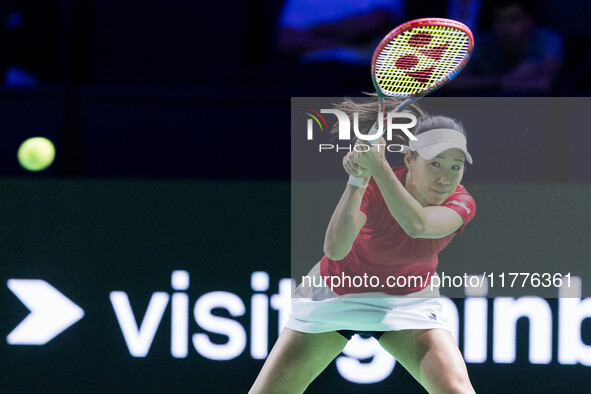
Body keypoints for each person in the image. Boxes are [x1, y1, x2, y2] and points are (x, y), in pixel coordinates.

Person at [250, 98, 477, 393]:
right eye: (435, 164)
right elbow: (335, 249)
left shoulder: (461, 202)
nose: (445, 178)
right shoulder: (373, 185)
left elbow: (418, 225)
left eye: (455, 167)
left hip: (408, 300)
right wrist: (358, 178)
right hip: (335, 292)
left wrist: (378, 166)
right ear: (410, 159)